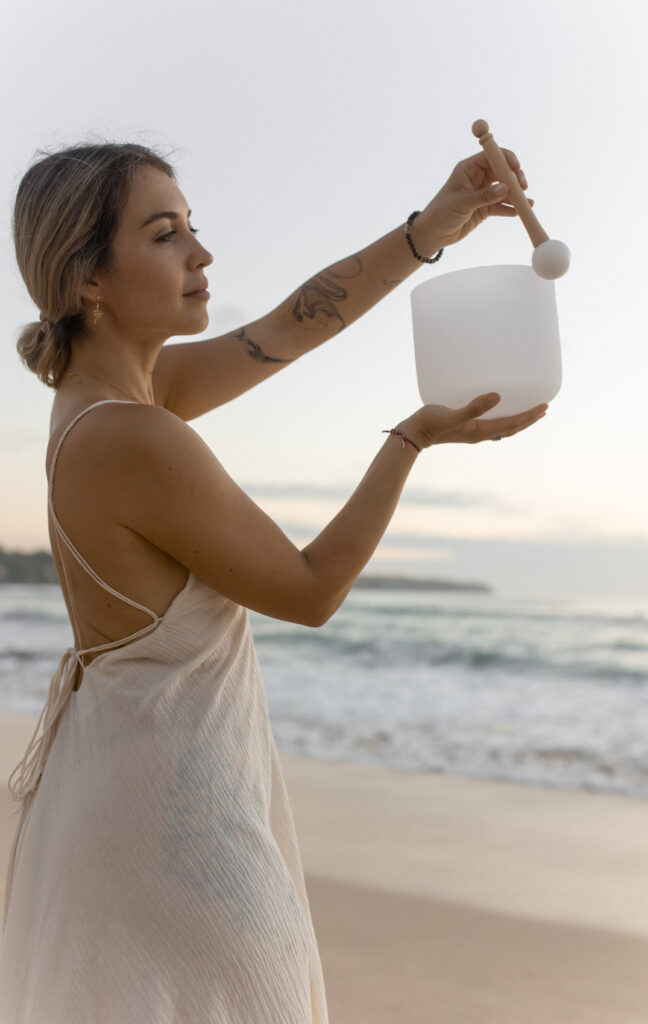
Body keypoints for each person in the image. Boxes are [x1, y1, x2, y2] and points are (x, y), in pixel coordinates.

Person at [0, 140, 546, 1022]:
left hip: (138, 796)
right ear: (89, 278)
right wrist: (409, 443)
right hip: (175, 828)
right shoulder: (134, 434)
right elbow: (310, 588)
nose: (201, 254)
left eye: (192, 227)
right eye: (165, 234)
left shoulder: (118, 400)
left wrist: (429, 227)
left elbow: (295, 323)